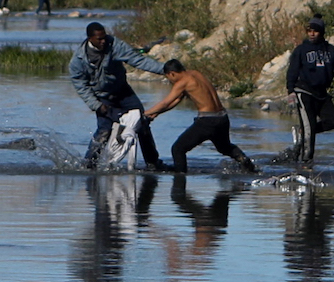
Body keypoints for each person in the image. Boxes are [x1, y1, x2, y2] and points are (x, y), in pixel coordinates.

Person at [70, 22, 170, 171]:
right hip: (102, 97)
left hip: (124, 92)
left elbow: (138, 60)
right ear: (90, 38)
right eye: (99, 39)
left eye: (104, 37)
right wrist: (96, 105)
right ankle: (89, 165)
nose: (104, 41)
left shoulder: (114, 45)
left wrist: (165, 70)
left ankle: (153, 163)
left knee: (141, 123)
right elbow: (80, 85)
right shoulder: (78, 60)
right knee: (104, 131)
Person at [144, 59, 257, 173]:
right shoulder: (195, 74)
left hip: (207, 121)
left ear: (172, 73)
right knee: (224, 147)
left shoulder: (183, 82)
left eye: (169, 78)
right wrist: (155, 113)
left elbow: (165, 102)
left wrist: (144, 113)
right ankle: (244, 161)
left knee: (178, 149)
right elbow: (176, 100)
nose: (171, 82)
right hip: (222, 118)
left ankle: (180, 177)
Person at [282, 15, 334, 164]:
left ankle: (300, 132)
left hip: (322, 93)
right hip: (304, 92)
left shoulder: (330, 51)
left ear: (321, 32)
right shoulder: (301, 50)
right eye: (309, 31)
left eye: (315, 31)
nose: (311, 34)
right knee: (309, 128)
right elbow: (292, 71)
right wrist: (291, 90)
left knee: (333, 121)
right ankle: (306, 162)